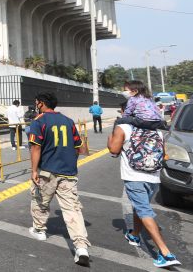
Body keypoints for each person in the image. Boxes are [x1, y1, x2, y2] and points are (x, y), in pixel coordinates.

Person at [107, 113, 181, 268]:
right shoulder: (157, 132)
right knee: (140, 206)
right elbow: (164, 155)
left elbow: (114, 150)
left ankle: (165, 253)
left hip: (134, 177)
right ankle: (134, 236)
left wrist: (110, 139)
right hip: (153, 177)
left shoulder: (124, 128)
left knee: (144, 210)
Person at [27, 92, 90, 266]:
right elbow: (79, 147)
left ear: (40, 104)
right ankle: (81, 247)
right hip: (68, 172)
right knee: (72, 209)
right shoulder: (68, 121)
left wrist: (34, 170)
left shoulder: (38, 121)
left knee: (40, 200)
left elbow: (35, 148)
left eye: (36, 102)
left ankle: (39, 229)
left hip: (47, 171)